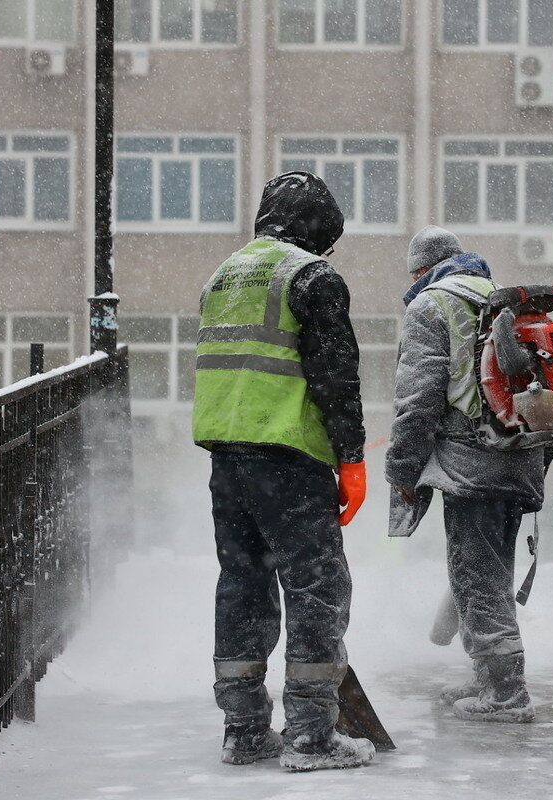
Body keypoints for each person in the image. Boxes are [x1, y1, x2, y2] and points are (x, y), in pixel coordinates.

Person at [191, 171, 373, 771]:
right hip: (290, 459)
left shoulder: (224, 275)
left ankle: (243, 730)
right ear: (315, 229)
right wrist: (352, 459)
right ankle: (311, 736)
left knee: (241, 586)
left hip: (227, 458)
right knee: (318, 589)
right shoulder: (311, 277)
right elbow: (334, 378)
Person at [386, 225, 545, 723]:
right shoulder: (500, 300)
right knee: (490, 570)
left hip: (471, 460)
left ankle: (505, 693)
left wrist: (401, 469)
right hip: (518, 453)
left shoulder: (430, 306)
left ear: (420, 269)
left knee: (476, 574)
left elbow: (418, 400)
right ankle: (488, 678)